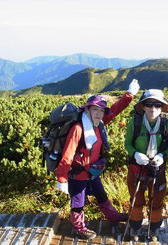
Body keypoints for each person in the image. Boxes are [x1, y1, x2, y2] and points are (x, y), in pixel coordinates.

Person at [55, 79, 140, 239]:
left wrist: (129, 95)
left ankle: (113, 217)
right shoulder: (78, 129)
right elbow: (68, 154)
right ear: (87, 109)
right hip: (78, 174)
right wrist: (62, 178)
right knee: (78, 203)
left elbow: (115, 110)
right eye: (95, 109)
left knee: (101, 196)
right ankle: (79, 228)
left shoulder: (98, 123)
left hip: (93, 172)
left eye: (101, 110)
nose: (98, 113)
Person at [124, 89, 168, 240]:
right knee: (136, 198)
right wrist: (135, 154)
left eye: (157, 105)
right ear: (143, 106)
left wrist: (161, 155)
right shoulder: (135, 122)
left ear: (162, 107)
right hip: (137, 168)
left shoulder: (167, 124)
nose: (153, 108)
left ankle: (154, 228)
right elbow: (127, 145)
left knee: (157, 199)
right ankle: (135, 227)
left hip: (157, 169)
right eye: (149, 104)